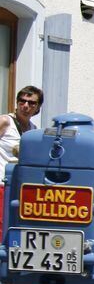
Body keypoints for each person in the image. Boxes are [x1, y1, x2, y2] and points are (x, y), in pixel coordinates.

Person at [0, 86, 42, 229]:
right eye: (22, 101)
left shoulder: (33, 130)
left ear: (38, 108)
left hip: (20, 186)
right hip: (2, 184)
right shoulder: (5, 122)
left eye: (31, 103)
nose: (25, 106)